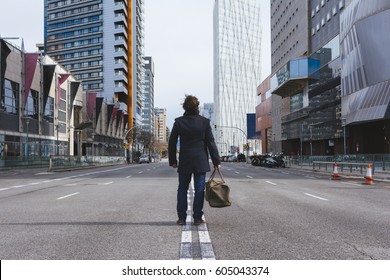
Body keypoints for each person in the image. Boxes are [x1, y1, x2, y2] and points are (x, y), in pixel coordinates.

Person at [168, 95, 221, 226]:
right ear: (197, 106)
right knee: (199, 189)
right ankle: (197, 217)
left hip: (185, 160)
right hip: (200, 161)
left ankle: (181, 218)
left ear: (184, 107)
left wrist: (173, 160)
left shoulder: (179, 122)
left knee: (182, 189)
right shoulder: (204, 122)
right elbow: (210, 142)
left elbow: (172, 143)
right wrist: (216, 161)